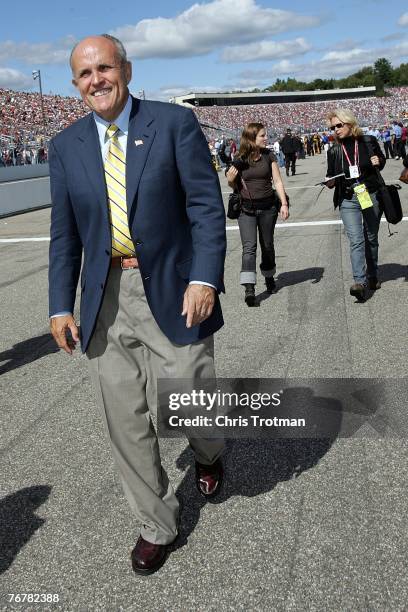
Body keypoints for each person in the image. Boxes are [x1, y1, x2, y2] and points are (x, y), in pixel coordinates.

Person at [48, 34, 226, 576]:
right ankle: (156, 524)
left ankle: (210, 452)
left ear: (125, 68)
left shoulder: (172, 124)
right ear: (76, 84)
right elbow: (64, 235)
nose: (96, 80)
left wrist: (205, 277)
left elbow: (205, 207)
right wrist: (60, 305)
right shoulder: (66, 146)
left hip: (174, 287)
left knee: (190, 396)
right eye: (85, 74)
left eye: (104, 68)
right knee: (125, 419)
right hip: (105, 300)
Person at [325, 108, 386, 301]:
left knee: (371, 237)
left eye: (339, 125)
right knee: (356, 239)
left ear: (350, 124)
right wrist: (329, 181)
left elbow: (380, 162)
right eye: (332, 127)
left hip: (370, 193)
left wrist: (379, 160)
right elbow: (331, 175)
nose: (335, 130)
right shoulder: (334, 150)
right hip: (348, 198)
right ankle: (359, 282)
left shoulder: (368, 141)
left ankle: (372, 274)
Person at [226, 122, 289, 305]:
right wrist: (230, 180)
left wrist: (284, 203)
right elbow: (234, 185)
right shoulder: (239, 159)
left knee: (267, 245)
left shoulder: (269, 155)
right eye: (262, 135)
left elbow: (277, 181)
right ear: (252, 138)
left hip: (268, 208)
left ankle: (269, 276)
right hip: (246, 210)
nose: (266, 138)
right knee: (249, 248)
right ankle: (249, 288)